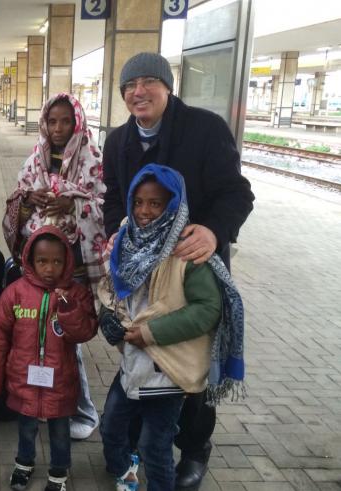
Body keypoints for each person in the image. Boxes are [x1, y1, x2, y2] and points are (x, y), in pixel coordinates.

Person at [101, 52, 255, 490]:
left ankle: (193, 447)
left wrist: (213, 230)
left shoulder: (205, 129)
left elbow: (236, 193)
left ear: (168, 87)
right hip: (144, 273)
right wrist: (116, 234)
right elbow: (113, 197)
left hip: (194, 265)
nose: (138, 91)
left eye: (149, 81)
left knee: (190, 361)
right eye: (129, 85)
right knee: (143, 352)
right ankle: (140, 441)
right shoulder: (118, 141)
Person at [98, 164, 244, 491]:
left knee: (154, 445)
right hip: (133, 364)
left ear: (174, 205)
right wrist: (106, 316)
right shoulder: (125, 241)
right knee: (111, 427)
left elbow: (207, 309)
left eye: (155, 203)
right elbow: (110, 288)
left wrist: (150, 332)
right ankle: (126, 474)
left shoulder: (187, 252)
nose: (144, 211)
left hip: (168, 370)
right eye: (138, 202)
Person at [2, 92, 105, 441]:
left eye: (65, 121)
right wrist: (28, 199)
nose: (58, 128)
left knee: (66, 339)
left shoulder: (92, 158)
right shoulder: (36, 157)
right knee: (40, 336)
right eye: (52, 121)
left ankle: (82, 410)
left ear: (77, 122)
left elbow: (102, 204)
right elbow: (17, 198)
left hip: (72, 267)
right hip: (38, 265)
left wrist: (72, 204)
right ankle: (47, 403)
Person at [0, 226, 98, 491]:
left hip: (60, 384)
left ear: (67, 261)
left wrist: (69, 310)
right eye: (42, 261)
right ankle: (24, 463)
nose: (49, 268)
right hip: (24, 382)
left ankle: (58, 473)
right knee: (26, 428)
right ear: (30, 260)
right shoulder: (15, 293)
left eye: (57, 261)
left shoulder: (75, 293)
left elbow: (86, 331)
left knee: (60, 432)